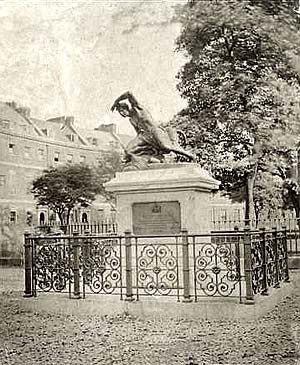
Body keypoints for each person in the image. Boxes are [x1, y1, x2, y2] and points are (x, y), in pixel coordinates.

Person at [111, 91, 195, 165]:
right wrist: (140, 145)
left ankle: (189, 155)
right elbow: (138, 133)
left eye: (122, 111)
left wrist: (116, 101)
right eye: (120, 112)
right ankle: (150, 159)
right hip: (144, 136)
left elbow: (129, 93)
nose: (122, 114)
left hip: (154, 131)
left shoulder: (137, 109)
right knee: (129, 150)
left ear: (127, 108)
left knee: (167, 147)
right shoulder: (131, 120)